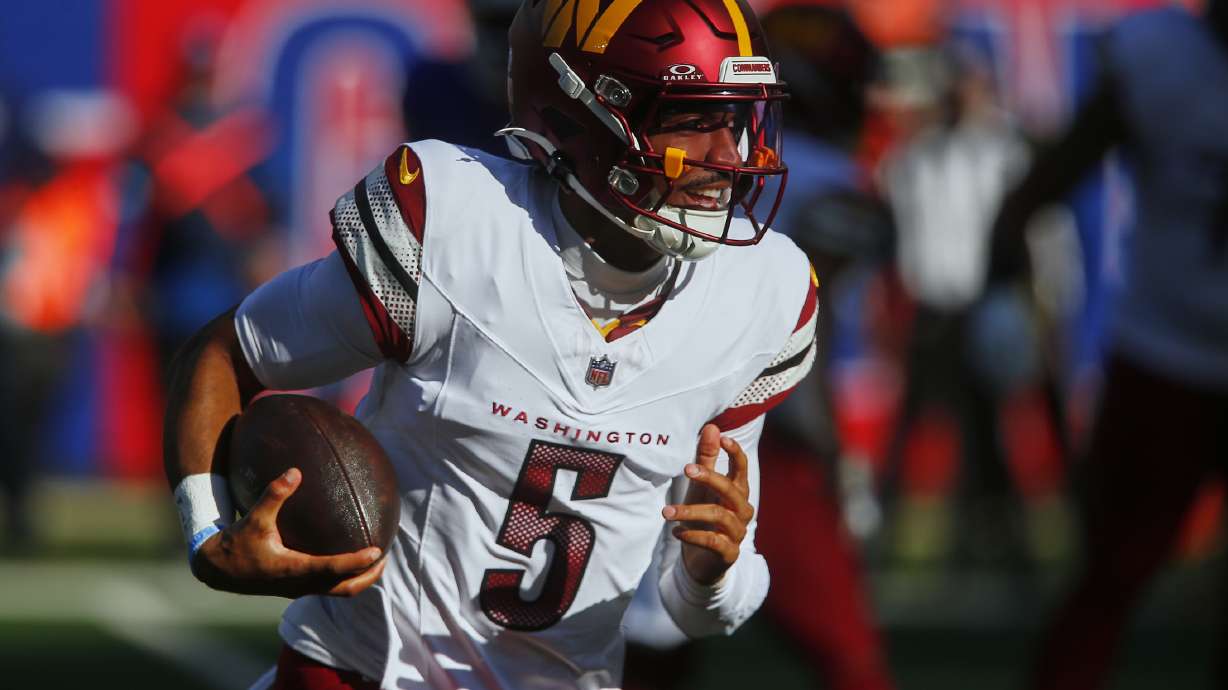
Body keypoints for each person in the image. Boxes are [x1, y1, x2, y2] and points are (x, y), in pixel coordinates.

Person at [163, 1, 816, 689]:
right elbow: (226, 352)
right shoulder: (457, 226)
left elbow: (697, 608)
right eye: (689, 117)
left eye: (736, 117)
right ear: (577, 114)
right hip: (356, 674)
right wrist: (208, 534)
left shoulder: (762, 294)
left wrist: (710, 570)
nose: (728, 155)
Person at [985, 3, 1228, 688]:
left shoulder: (1156, 52)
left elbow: (1038, 189)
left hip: (1163, 351)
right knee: (1110, 575)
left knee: (1108, 580)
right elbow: (1047, 180)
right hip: (1165, 353)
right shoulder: (1158, 52)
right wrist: (1004, 292)